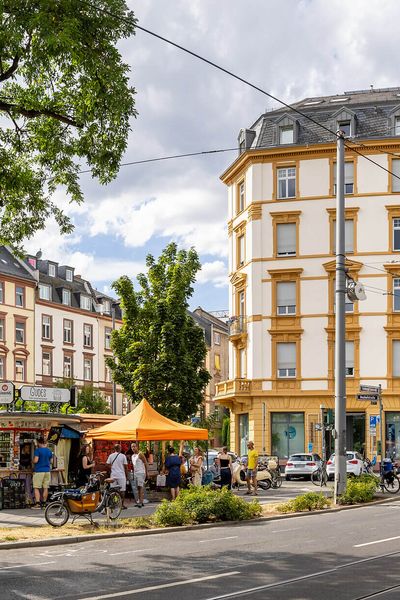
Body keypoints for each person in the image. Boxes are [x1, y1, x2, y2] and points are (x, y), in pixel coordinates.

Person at [32, 437, 53, 509]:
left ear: (39, 443)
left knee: (36, 487)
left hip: (39, 471)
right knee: (45, 487)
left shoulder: (37, 451)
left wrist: (32, 461)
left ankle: (37, 504)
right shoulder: (49, 451)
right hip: (47, 471)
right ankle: (44, 504)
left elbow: (36, 460)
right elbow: (51, 461)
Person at [106, 443, 128, 509]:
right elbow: (126, 467)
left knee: (112, 490)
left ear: (114, 449)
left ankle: (113, 504)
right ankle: (121, 505)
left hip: (113, 475)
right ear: (120, 449)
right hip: (121, 475)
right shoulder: (123, 456)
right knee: (122, 490)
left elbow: (107, 464)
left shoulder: (111, 456)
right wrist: (126, 475)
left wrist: (111, 468)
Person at [131, 442, 148, 508]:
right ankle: (139, 501)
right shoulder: (133, 456)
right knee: (137, 488)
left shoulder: (140, 454)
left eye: (134, 446)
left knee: (140, 487)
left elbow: (145, 463)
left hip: (141, 473)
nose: (133, 448)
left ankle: (140, 502)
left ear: (137, 447)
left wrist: (147, 473)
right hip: (135, 473)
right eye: (132, 447)